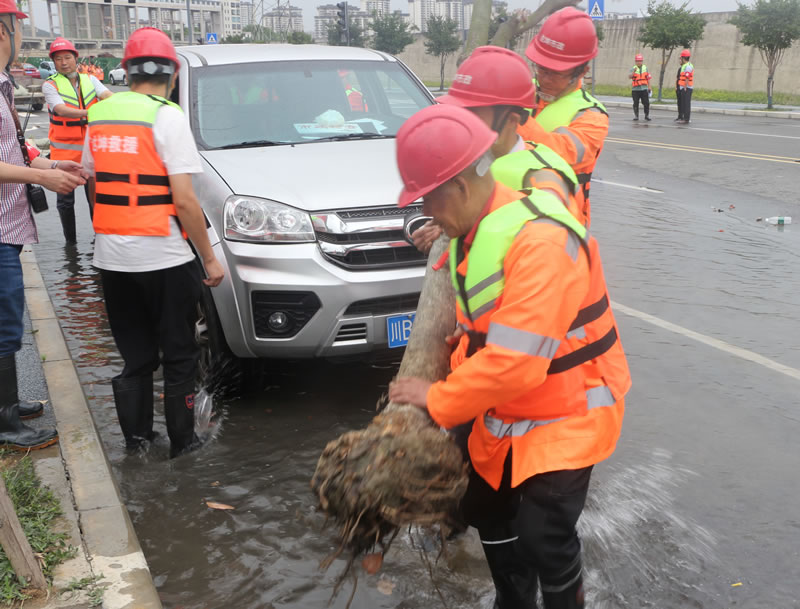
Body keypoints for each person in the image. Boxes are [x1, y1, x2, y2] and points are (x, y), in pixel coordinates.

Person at [389, 104, 630, 609]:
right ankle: (513, 602)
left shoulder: (542, 241)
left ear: (459, 186)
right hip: (509, 408)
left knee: (543, 535)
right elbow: (481, 334)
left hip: (570, 410)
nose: (426, 212)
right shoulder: (473, 232)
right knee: (484, 507)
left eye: (428, 198)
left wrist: (436, 399)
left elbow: (516, 362)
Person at [81, 27, 225, 457]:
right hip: (164, 255)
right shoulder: (167, 116)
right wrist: (209, 258)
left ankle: (138, 442)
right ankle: (184, 443)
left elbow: (93, 182)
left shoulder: (99, 114)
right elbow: (184, 200)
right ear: (172, 75)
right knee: (179, 353)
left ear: (126, 72)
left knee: (136, 355)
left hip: (112, 257)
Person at [0, 0, 87, 449]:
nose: (21, 35)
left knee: (7, 318)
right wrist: (42, 178)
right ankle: (5, 423)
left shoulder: (3, 85)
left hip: (7, 227)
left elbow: (13, 148)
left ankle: (7, 404)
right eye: (18, 26)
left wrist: (52, 164)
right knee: (4, 324)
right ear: (4, 31)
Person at [411, 45, 585, 254]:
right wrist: (444, 226)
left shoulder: (545, 180)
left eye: (473, 114)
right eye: (458, 113)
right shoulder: (469, 163)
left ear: (511, 120)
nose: (461, 124)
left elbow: (549, 252)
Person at [517, 6, 609, 227]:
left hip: (557, 225)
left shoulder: (592, 116)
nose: (544, 78)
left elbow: (562, 153)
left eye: (555, 72)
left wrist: (512, 119)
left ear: (582, 71)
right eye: (541, 68)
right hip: (505, 215)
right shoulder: (519, 91)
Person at [43, 37, 112, 244]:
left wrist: (119, 104)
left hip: (91, 149)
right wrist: (93, 113)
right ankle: (70, 244)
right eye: (58, 59)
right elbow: (60, 109)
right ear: (54, 62)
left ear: (76, 58)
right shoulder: (50, 85)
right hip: (64, 153)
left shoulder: (90, 79)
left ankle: (100, 239)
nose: (64, 63)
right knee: (65, 202)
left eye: (67, 57)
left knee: (95, 199)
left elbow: (107, 95)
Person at [629, 53, 652, 121]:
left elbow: (648, 78)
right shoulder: (633, 68)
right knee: (635, 103)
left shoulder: (645, 68)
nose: (639, 62)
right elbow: (629, 77)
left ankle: (646, 115)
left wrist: (649, 87)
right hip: (635, 89)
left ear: (642, 61)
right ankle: (636, 116)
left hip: (644, 88)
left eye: (640, 61)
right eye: (637, 61)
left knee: (646, 103)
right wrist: (633, 72)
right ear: (635, 61)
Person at [676, 49, 694, 124]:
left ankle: (686, 119)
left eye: (681, 58)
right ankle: (684, 118)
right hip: (684, 87)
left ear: (683, 58)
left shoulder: (688, 66)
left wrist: (685, 87)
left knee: (686, 104)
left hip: (687, 88)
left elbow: (687, 77)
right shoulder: (685, 65)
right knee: (684, 103)